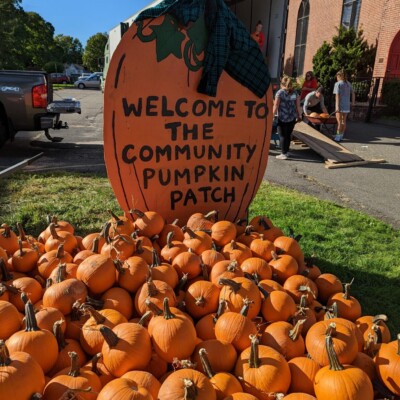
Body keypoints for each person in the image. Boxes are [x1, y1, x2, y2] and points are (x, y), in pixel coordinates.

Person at [273, 76, 303, 160]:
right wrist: (300, 115)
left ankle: (283, 153)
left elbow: (276, 105)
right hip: (292, 117)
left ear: (282, 83)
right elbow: (298, 106)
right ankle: (286, 151)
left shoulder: (280, 93)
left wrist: (272, 116)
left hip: (282, 117)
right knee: (288, 135)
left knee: (282, 135)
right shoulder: (295, 93)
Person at [333, 70, 355, 142]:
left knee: (339, 121)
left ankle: (337, 136)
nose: (336, 77)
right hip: (346, 105)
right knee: (343, 121)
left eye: (337, 76)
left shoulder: (338, 84)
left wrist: (337, 107)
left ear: (339, 76)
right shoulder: (348, 83)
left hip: (340, 105)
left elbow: (337, 96)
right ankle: (341, 135)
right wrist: (353, 103)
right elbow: (353, 93)